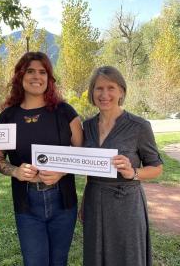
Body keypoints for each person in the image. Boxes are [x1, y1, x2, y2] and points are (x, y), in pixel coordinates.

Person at [0, 51, 83, 266]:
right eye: (30, 71)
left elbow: (82, 153)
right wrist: (15, 171)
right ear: (20, 76)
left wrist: (61, 171)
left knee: (59, 261)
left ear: (49, 77)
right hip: (27, 203)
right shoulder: (7, 116)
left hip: (63, 201)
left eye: (42, 72)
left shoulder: (65, 112)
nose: (37, 76)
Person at [81, 66, 163, 266]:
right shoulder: (87, 126)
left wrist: (133, 172)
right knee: (95, 256)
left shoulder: (139, 126)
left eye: (111, 88)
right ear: (92, 92)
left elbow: (157, 167)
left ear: (122, 91)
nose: (104, 94)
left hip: (125, 204)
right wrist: (84, 199)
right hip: (94, 200)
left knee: (127, 257)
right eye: (99, 88)